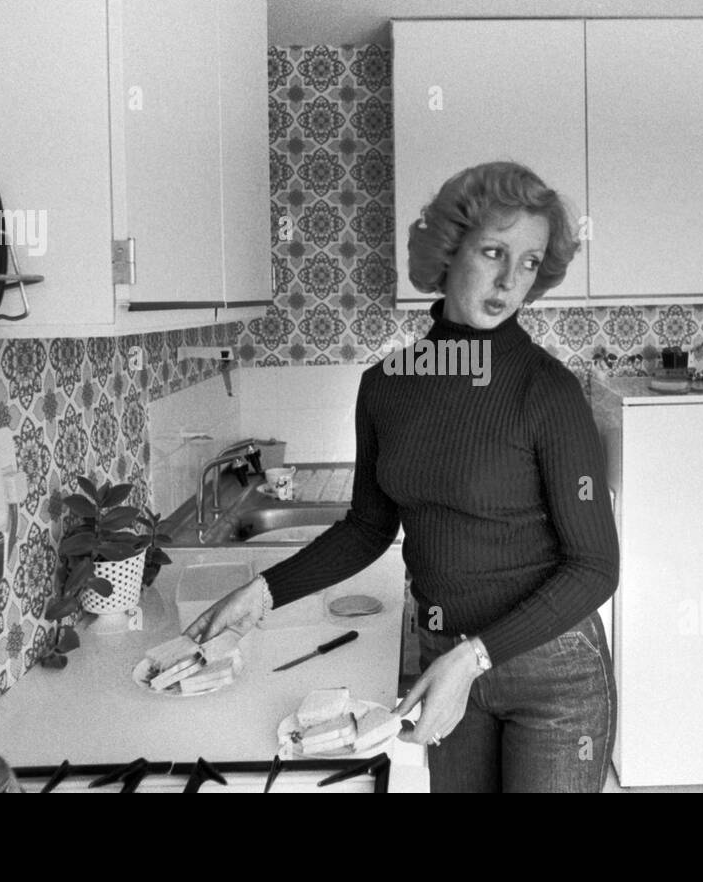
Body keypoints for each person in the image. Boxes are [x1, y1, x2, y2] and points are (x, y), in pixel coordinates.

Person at [187, 161, 619, 793]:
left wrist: (474, 660)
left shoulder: (547, 391)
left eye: (528, 262)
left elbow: (596, 566)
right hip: (444, 650)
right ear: (448, 250)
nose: (509, 280)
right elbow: (367, 528)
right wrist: (262, 593)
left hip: (549, 668)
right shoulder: (387, 387)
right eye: (494, 252)